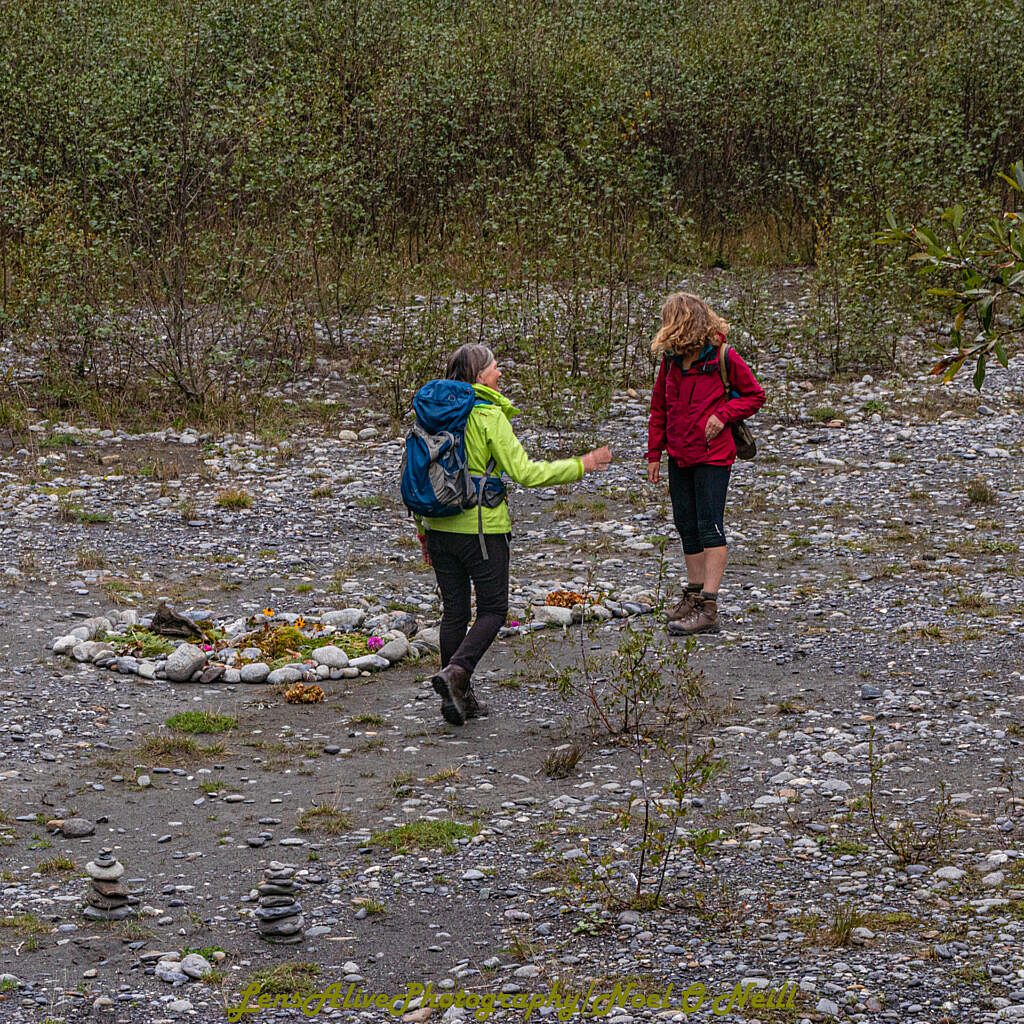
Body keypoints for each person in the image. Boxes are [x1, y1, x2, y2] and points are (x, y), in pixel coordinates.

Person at [417, 343, 612, 726]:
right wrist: (582, 464)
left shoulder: (430, 417)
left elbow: (419, 477)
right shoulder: (488, 415)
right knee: (493, 610)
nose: (500, 372)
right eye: (494, 366)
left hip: (438, 528)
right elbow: (526, 473)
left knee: (454, 611)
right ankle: (456, 674)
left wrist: (423, 531)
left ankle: (459, 699)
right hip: (482, 530)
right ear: (479, 376)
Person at [646, 292, 765, 635]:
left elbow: (755, 395)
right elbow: (659, 408)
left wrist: (723, 414)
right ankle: (694, 594)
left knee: (709, 525)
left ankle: (708, 607)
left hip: (713, 455)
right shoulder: (671, 361)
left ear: (683, 323)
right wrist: (654, 453)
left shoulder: (723, 356)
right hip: (679, 454)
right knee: (686, 525)